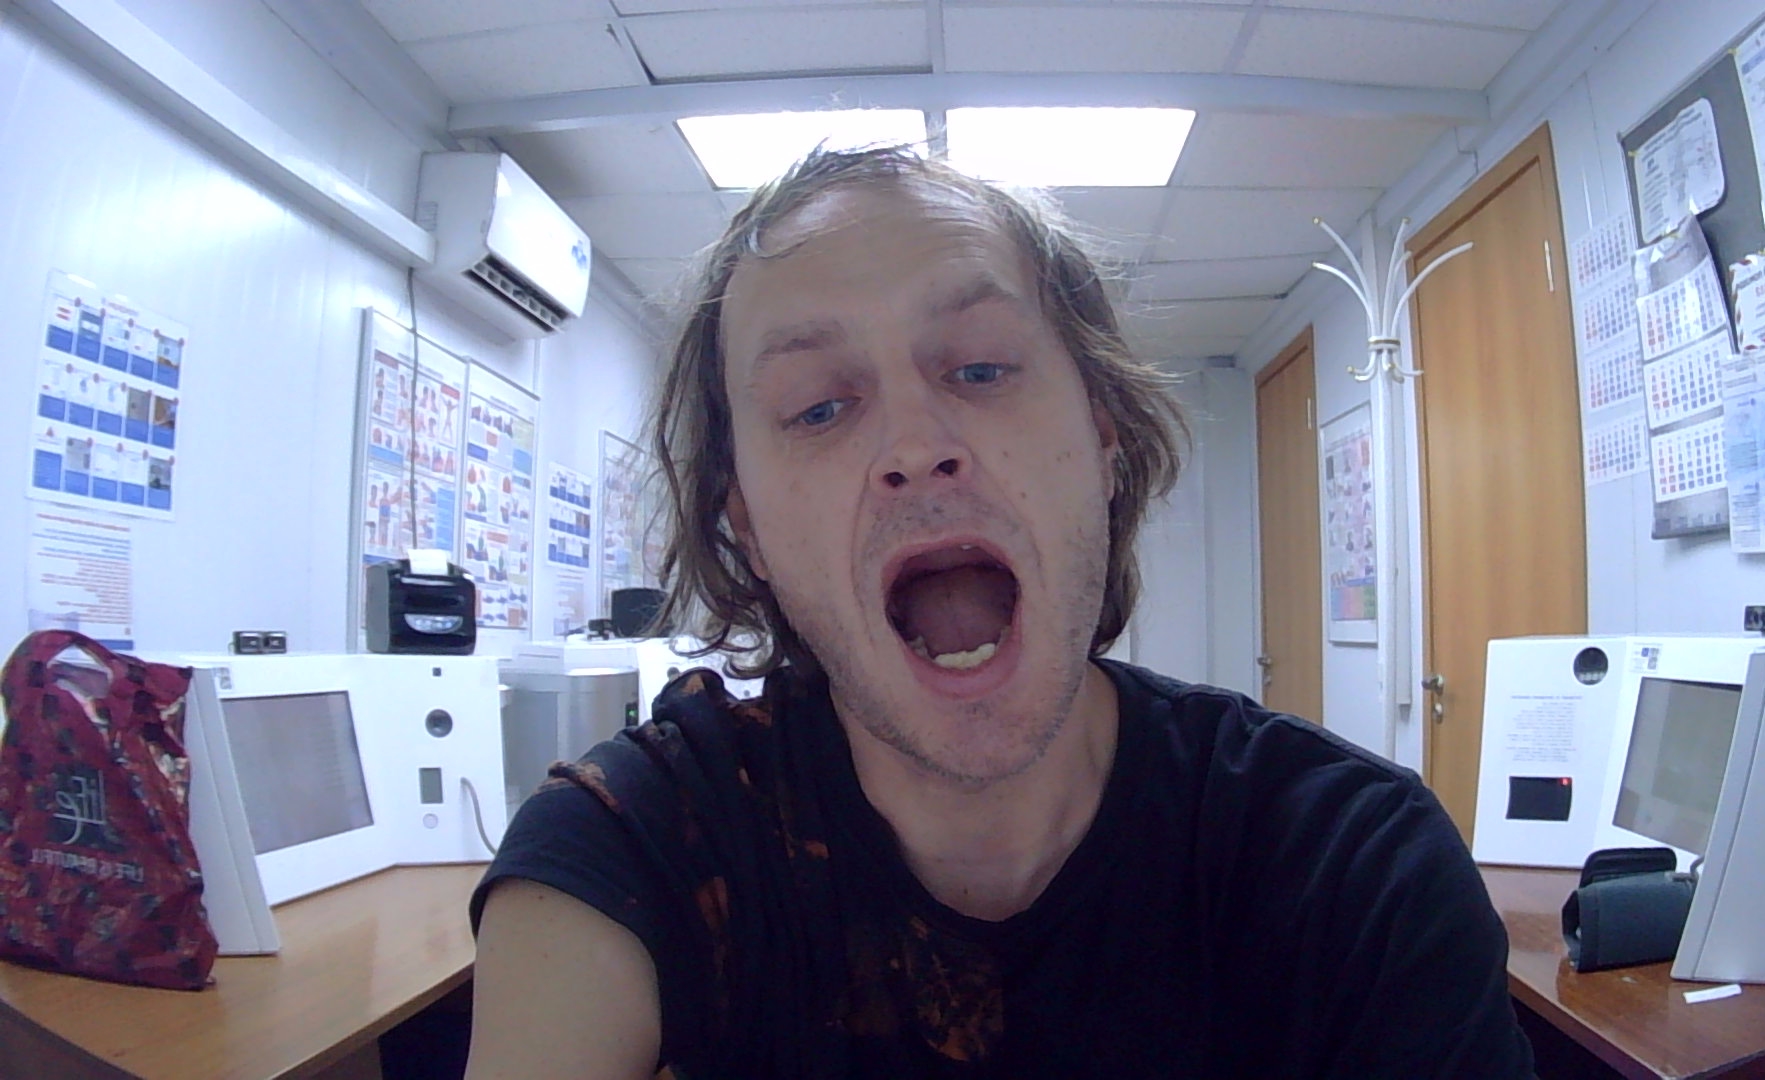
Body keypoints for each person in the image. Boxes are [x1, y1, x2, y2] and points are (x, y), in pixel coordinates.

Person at [465, 145, 1534, 1079]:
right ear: (747, 526)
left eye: (981, 367)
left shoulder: (1354, 868)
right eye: (818, 407)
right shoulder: (635, 849)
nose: (914, 445)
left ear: (1104, 440)